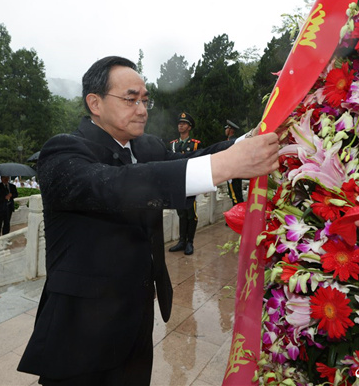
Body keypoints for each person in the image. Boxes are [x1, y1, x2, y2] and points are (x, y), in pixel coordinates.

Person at [17, 56, 279, 385]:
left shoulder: (146, 146)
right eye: (130, 99)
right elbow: (114, 185)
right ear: (95, 103)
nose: (142, 109)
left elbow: (192, 160)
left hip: (137, 315)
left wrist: (250, 140)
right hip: (82, 329)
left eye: (145, 100)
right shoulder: (62, 152)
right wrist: (225, 166)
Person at [168, 112, 201, 255]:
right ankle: (181, 241)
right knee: (181, 212)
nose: (180, 125)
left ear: (189, 127)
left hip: (191, 182)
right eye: (179, 123)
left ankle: (190, 242)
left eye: (184, 123)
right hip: (177, 182)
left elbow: (200, 163)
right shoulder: (173, 145)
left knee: (191, 213)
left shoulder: (195, 145)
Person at [224, 120, 245, 205]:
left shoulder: (231, 142)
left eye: (226, 128)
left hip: (232, 172)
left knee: (235, 196)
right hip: (235, 171)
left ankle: (238, 211)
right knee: (236, 194)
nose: (225, 130)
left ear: (230, 130)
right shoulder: (232, 140)